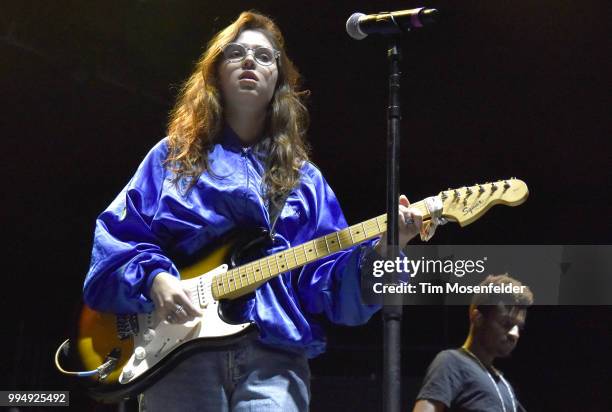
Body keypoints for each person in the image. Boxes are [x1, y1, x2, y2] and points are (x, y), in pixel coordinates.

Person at [83, 11, 422, 412]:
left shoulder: (305, 180)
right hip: (178, 356)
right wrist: (155, 279)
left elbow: (329, 283)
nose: (249, 61)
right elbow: (117, 237)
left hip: (275, 363)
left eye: (264, 56)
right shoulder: (172, 158)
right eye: (236, 52)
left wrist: (384, 253)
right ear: (215, 73)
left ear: (279, 77)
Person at [412, 274, 534, 412]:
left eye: (519, 327)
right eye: (506, 324)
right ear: (478, 318)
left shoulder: (504, 386)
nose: (515, 334)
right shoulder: (451, 363)